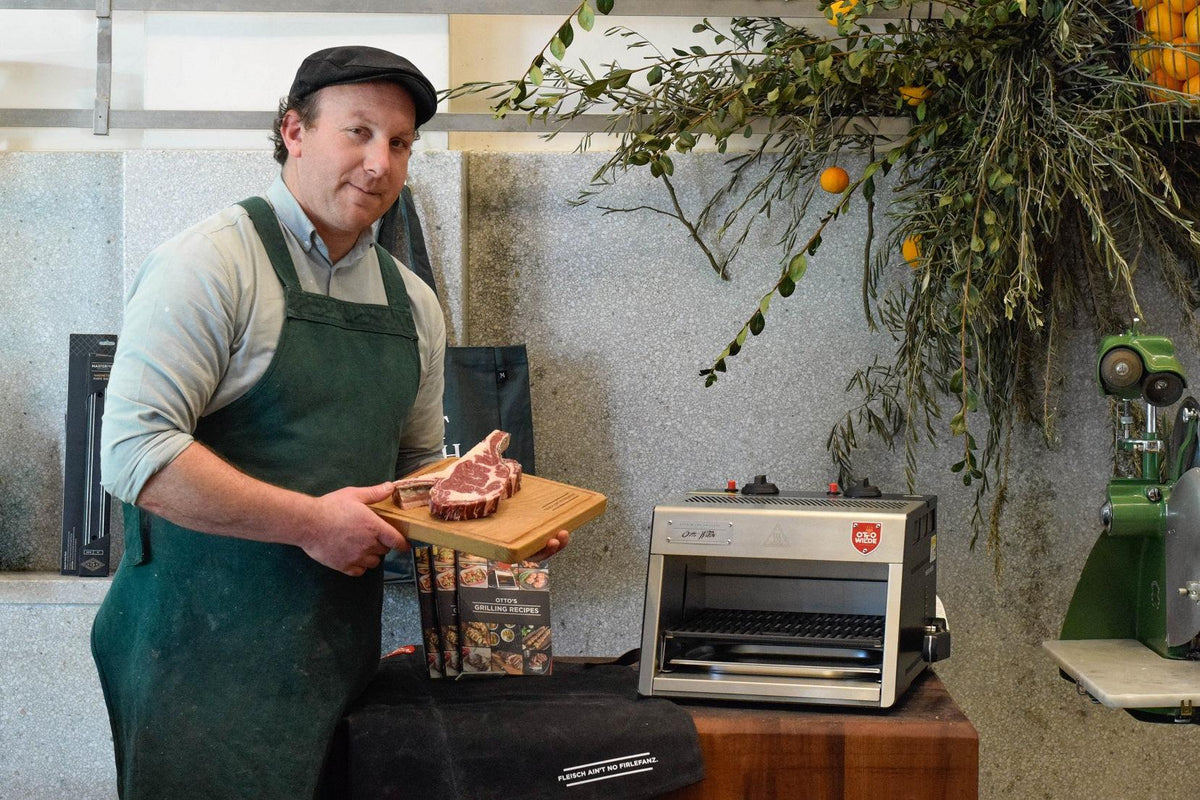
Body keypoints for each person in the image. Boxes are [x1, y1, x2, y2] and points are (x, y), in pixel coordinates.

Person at [92, 45, 567, 800]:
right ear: (293, 131)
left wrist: (497, 528)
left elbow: (415, 473)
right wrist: (312, 523)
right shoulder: (210, 263)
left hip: (336, 655)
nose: (381, 162)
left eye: (401, 142)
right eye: (358, 132)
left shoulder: (413, 302)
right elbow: (134, 453)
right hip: (192, 656)